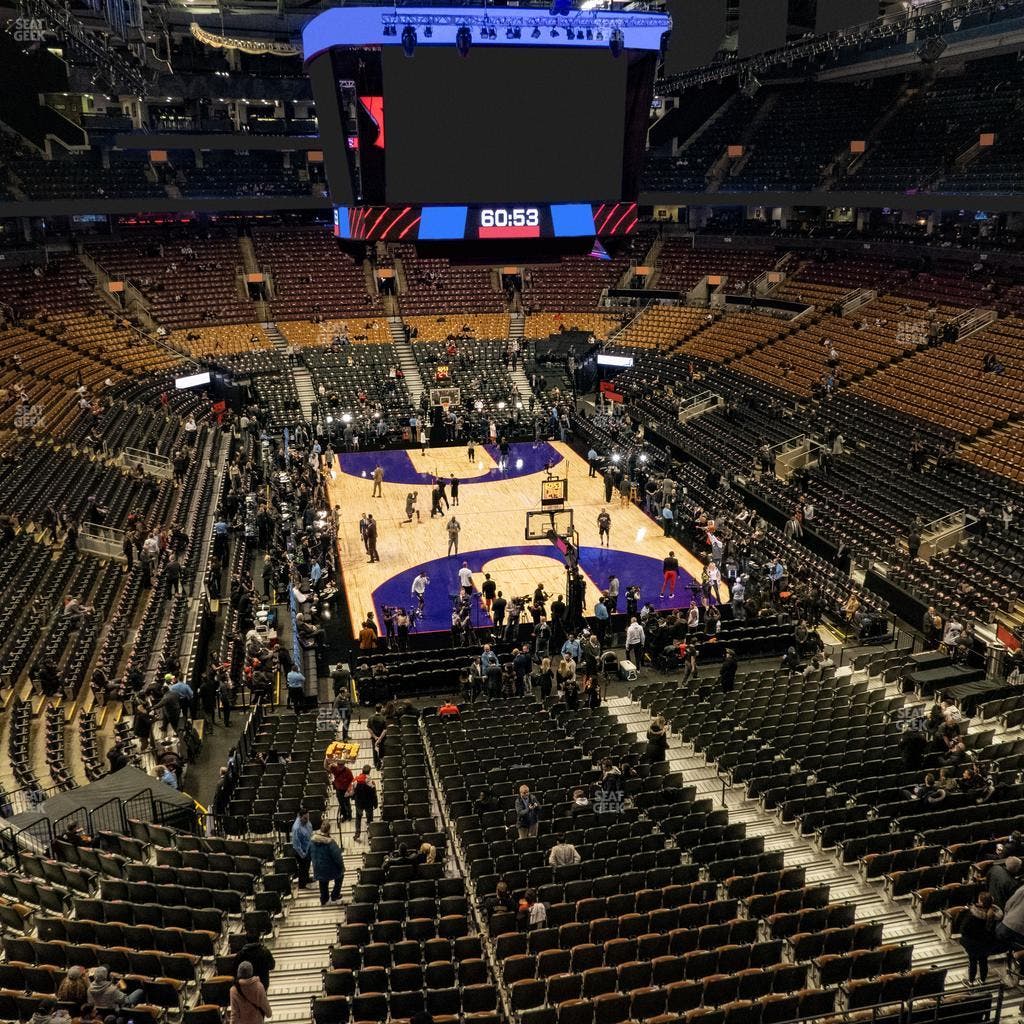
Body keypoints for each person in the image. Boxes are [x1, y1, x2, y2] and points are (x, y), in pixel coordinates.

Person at [310, 822, 344, 905]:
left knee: (323, 882)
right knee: (340, 876)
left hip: (317, 866)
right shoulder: (331, 843)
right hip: (329, 868)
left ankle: (324, 899)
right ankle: (335, 895)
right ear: (329, 831)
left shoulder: (313, 840)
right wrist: (342, 867)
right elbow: (337, 857)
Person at [352, 765, 378, 840]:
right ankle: (370, 832)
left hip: (359, 804)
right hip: (368, 804)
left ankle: (357, 833)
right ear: (369, 772)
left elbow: (352, 791)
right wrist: (375, 804)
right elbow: (374, 795)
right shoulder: (371, 783)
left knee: (358, 817)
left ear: (362, 771)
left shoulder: (356, 780)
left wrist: (354, 798)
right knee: (369, 818)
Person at [326, 755, 354, 823]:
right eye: (338, 764)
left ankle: (349, 816)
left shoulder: (348, 771)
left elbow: (352, 782)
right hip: (339, 790)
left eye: (341, 765)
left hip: (346, 790)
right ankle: (344, 816)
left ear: (344, 765)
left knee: (347, 804)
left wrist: (349, 791)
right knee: (341, 804)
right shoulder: (335, 768)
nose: (339, 766)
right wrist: (326, 759)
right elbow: (326, 767)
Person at [291, 809, 312, 889]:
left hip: (307, 847)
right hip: (301, 851)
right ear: (300, 817)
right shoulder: (296, 828)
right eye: (305, 818)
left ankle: (306, 879)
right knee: (302, 868)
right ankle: (302, 885)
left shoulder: (306, 821)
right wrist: (303, 855)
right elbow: (296, 845)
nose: (307, 820)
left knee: (307, 866)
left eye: (308, 817)